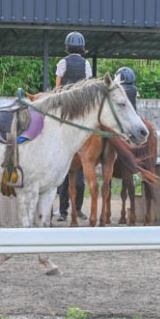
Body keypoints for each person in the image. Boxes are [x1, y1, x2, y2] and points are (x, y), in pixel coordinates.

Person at [55, 31, 92, 221]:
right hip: (81, 113)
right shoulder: (86, 64)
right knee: (81, 172)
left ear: (67, 47)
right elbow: (87, 88)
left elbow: (58, 89)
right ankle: (78, 209)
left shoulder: (62, 63)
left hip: (66, 113)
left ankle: (62, 212)